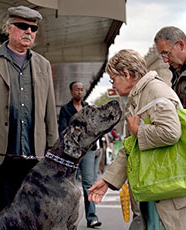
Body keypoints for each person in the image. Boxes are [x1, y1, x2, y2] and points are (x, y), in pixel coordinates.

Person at [0, 6, 58, 223]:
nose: (28, 32)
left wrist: (53, 144)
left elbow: (49, 109)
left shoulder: (43, 65)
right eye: (22, 26)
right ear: (9, 28)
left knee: (31, 215)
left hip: (33, 154)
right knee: (0, 215)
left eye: (33, 28)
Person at [88, 49, 186, 229]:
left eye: (114, 79)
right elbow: (130, 147)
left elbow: (171, 132)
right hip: (157, 190)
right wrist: (108, 180)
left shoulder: (155, 91)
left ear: (126, 74)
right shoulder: (140, 96)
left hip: (167, 196)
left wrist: (138, 129)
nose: (113, 86)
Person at [58, 81, 101, 228]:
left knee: (89, 183)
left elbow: (94, 128)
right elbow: (63, 130)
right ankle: (68, 219)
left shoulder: (89, 108)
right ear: (71, 91)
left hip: (88, 150)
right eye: (77, 90)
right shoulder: (65, 109)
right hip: (72, 153)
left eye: (82, 90)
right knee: (70, 185)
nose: (80, 92)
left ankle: (92, 217)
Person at [154, 26, 186, 107]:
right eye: (162, 55)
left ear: (181, 45)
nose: (165, 60)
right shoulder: (176, 72)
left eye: (166, 53)